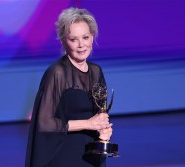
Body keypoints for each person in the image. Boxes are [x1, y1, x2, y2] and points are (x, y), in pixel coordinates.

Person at [25, 7, 113, 167]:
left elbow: (101, 113)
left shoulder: (96, 71)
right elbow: (44, 123)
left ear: (92, 37)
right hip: (64, 154)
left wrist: (104, 131)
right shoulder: (57, 72)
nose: (81, 45)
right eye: (74, 39)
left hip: (91, 153)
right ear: (63, 41)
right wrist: (88, 124)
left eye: (85, 37)